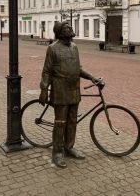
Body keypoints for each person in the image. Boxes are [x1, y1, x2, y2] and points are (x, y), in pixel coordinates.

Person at [39, 21, 104, 168]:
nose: (70, 28)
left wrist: (92, 77)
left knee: (72, 121)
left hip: (74, 89)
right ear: (60, 32)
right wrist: (44, 89)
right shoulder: (52, 49)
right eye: (67, 27)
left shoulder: (75, 47)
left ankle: (69, 147)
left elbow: (78, 69)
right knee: (60, 122)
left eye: (70, 27)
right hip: (60, 90)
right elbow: (46, 71)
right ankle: (57, 152)